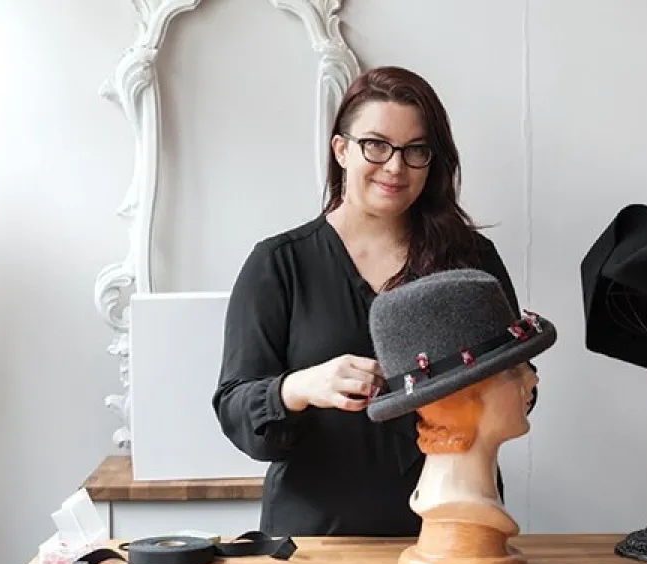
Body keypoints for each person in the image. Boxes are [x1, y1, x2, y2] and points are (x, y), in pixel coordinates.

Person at [212, 65, 539, 537]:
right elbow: (235, 406)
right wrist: (301, 386)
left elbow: (521, 383)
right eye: (376, 145)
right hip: (316, 540)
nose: (394, 166)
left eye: (415, 150)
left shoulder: (470, 258)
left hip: (455, 531)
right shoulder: (279, 264)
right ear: (341, 149)